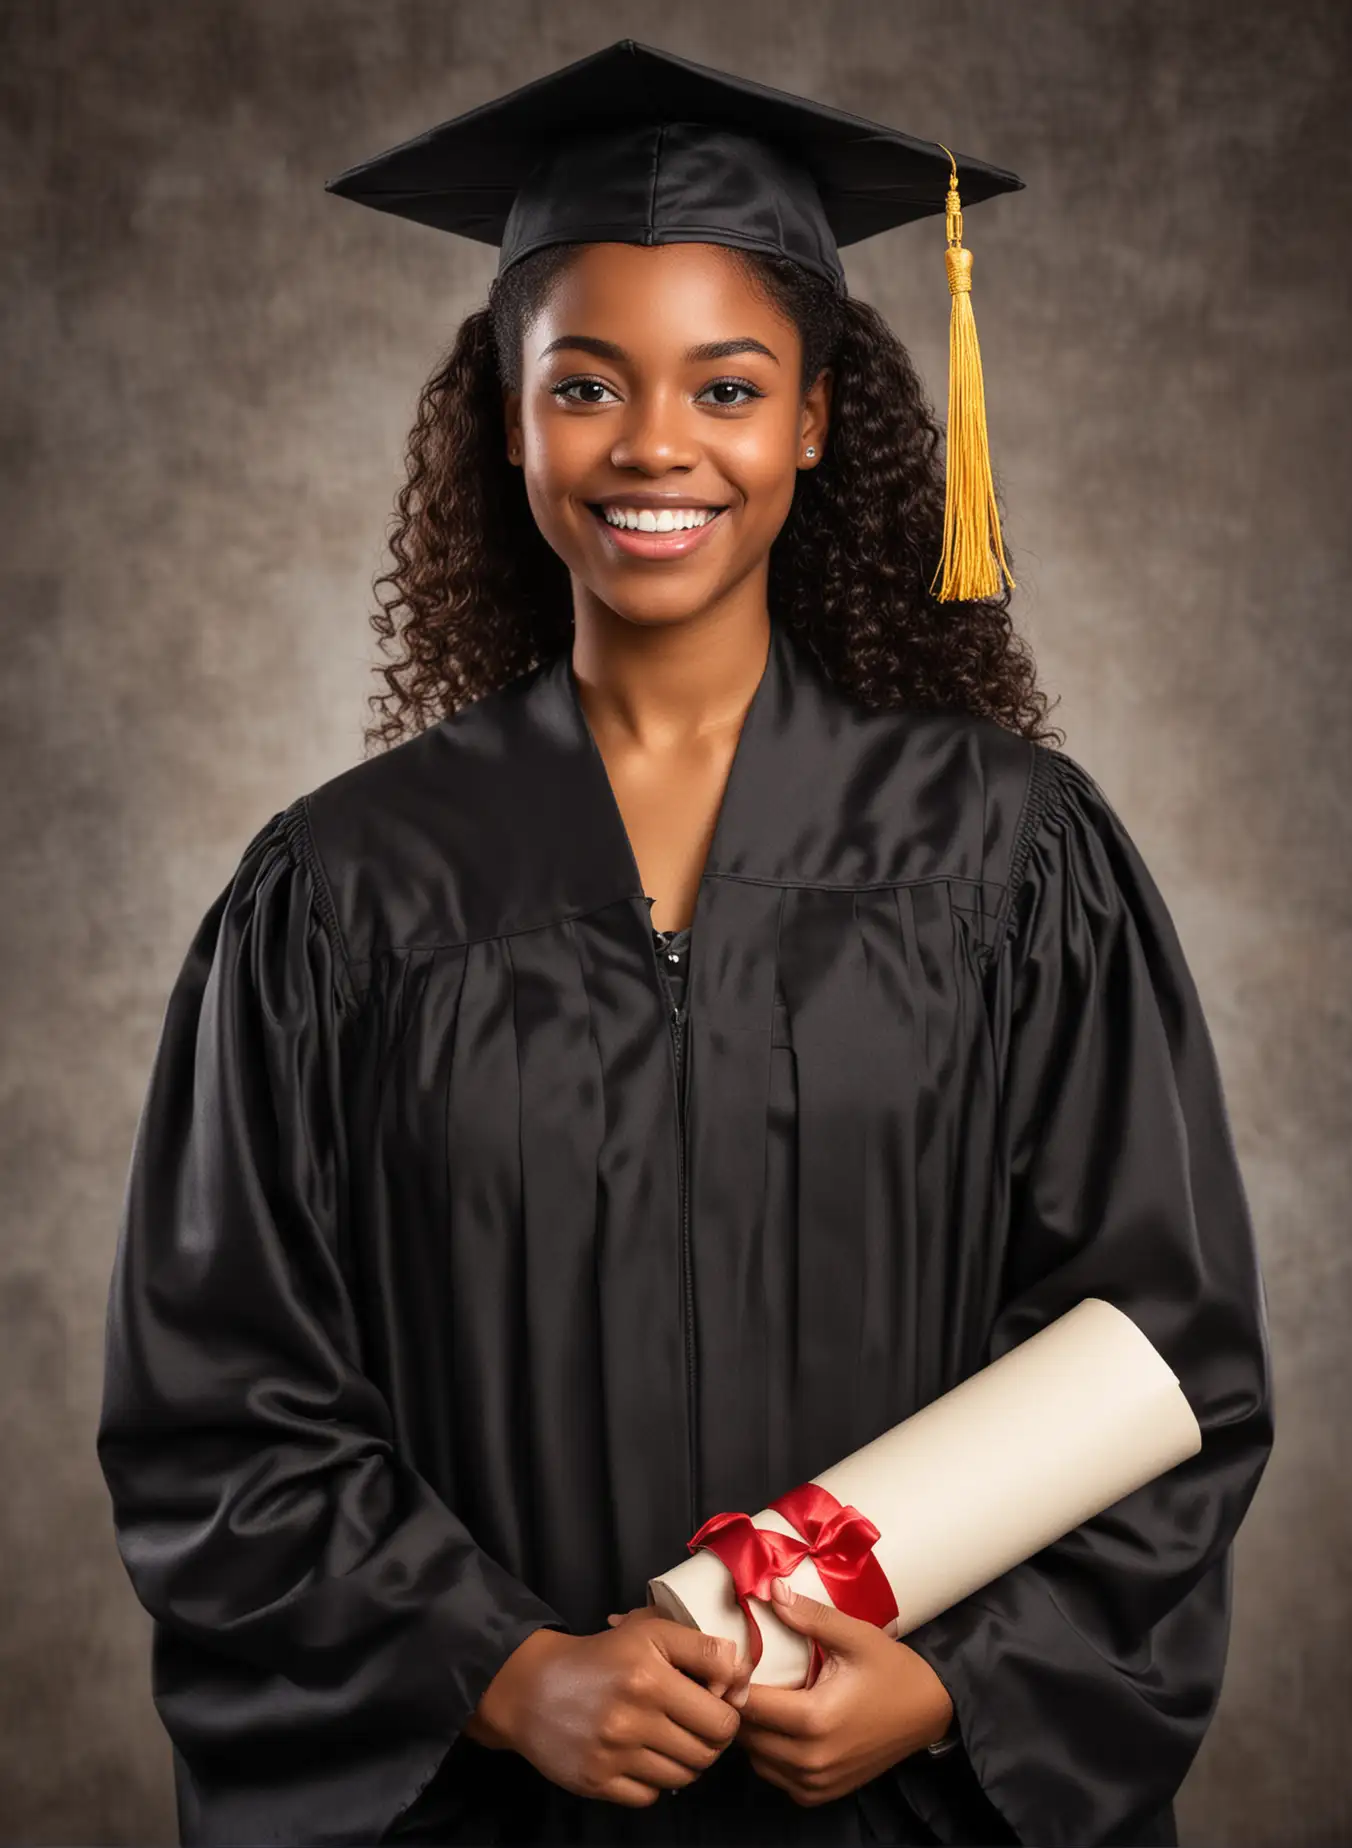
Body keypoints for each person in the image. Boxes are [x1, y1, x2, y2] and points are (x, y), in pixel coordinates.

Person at [96, 40, 1274, 1848]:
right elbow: (215, 1409)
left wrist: (961, 1681)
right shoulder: (342, 895)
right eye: (586, 384)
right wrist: (497, 1667)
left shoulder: (1010, 857)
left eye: (727, 385)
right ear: (505, 415)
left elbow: (1166, 1359)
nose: (655, 445)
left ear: (817, 416)